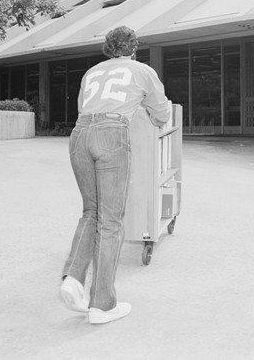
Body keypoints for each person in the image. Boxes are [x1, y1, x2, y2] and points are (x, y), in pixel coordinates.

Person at [60, 25, 171, 325]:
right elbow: (162, 113)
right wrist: (148, 111)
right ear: (134, 48)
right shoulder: (141, 70)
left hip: (80, 134)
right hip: (111, 133)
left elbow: (85, 108)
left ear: (107, 49)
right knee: (110, 221)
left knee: (90, 213)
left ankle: (72, 277)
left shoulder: (92, 72)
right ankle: (102, 304)